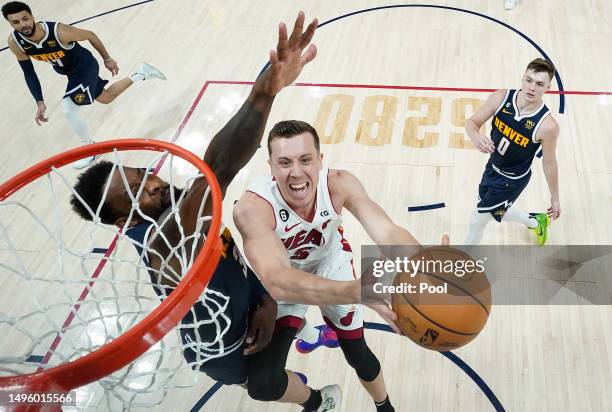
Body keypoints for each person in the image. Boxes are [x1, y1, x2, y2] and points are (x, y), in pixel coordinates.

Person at [69, 11, 341, 404]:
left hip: (250, 296)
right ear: (123, 219)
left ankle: (298, 333)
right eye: (140, 191)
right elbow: (217, 169)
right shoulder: (167, 240)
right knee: (266, 384)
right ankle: (316, 401)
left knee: (281, 304)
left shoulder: (177, 209)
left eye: (145, 174)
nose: (158, 184)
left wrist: (264, 298)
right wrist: (263, 93)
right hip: (225, 345)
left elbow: (231, 249)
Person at [233, 119, 435, 412]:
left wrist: (419, 260)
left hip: (331, 264)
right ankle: (319, 400)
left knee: (357, 353)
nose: (296, 172)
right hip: (288, 282)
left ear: (320, 160)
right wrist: (358, 291)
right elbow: (278, 279)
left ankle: (384, 406)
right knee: (262, 384)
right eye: (285, 162)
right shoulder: (252, 208)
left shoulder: (338, 183)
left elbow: (387, 231)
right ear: (271, 166)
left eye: (305, 160)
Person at [3, 1, 165, 169]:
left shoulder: (58, 31)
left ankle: (90, 149)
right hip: (70, 72)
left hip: (84, 67)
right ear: (10, 24)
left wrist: (107, 59)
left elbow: (90, 35)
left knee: (69, 109)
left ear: (32, 16)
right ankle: (142, 73)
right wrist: (39, 101)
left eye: (25, 19)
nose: (23, 24)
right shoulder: (15, 42)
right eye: (16, 22)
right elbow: (29, 73)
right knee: (106, 97)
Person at [463, 58, 561, 245]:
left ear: (548, 87)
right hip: (492, 167)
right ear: (523, 79)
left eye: (539, 84)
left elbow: (549, 162)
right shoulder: (501, 97)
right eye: (529, 80)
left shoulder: (548, 126)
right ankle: (536, 222)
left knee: (477, 220)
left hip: (512, 180)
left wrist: (555, 198)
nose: (532, 87)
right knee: (494, 210)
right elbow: (472, 123)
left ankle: (460, 263)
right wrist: (477, 138)